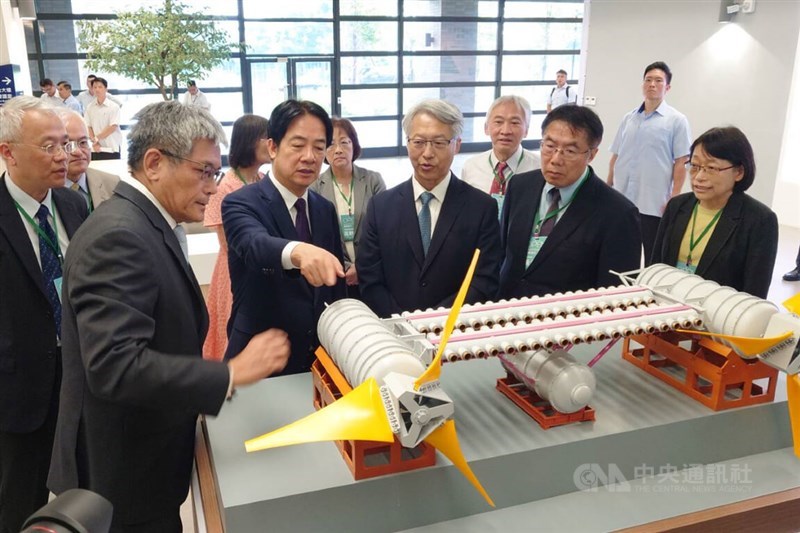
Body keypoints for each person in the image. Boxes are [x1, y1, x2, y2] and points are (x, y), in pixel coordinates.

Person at [48, 101, 291, 532]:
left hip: (145, 460)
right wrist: (229, 374)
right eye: (204, 171)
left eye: (216, 173)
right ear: (155, 163)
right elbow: (115, 366)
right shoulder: (121, 235)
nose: (213, 187)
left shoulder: (148, 223)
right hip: (120, 478)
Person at [0, 96, 88, 533]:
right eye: (49, 146)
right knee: (19, 503)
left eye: (66, 145)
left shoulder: (72, 206)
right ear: (8, 151)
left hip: (81, 378)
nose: (63, 156)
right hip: (18, 390)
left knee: (90, 495)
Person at [222, 100, 345, 374]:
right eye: (298, 145)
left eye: (319, 146)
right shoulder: (240, 203)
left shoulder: (324, 209)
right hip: (259, 361)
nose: (310, 157)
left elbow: (333, 287)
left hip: (317, 360)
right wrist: (299, 251)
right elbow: (254, 245)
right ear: (273, 147)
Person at [357, 99, 502, 318]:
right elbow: (369, 276)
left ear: (457, 144)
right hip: (395, 331)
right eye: (419, 142)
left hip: (454, 333)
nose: (427, 153)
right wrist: (403, 322)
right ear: (407, 143)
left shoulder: (482, 208)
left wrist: (435, 321)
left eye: (438, 143)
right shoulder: (381, 206)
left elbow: (484, 279)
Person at [498, 105, 641, 299]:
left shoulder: (618, 213)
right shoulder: (520, 186)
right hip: (508, 313)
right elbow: (503, 254)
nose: (556, 159)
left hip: (566, 323)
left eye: (570, 150)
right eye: (549, 146)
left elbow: (613, 297)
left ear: (592, 154)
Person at [652, 127, 778, 299]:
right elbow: (655, 268)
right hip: (667, 310)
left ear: (739, 172)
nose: (698, 177)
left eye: (711, 168)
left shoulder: (760, 220)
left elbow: (754, 294)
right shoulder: (677, 206)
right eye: (695, 166)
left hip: (718, 318)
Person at [607, 61, 692, 263]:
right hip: (623, 197)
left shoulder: (676, 120)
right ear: (642, 84)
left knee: (654, 253)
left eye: (658, 80)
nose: (652, 84)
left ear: (667, 87)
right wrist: (609, 186)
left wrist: (674, 196)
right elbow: (616, 155)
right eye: (648, 80)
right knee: (622, 250)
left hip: (653, 200)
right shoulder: (629, 118)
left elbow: (682, 161)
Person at [203, 114, 271, 361]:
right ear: (249, 141)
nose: (271, 143)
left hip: (264, 270)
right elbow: (229, 245)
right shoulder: (225, 187)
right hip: (236, 272)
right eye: (265, 137)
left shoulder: (263, 180)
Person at [310, 117, 386, 298]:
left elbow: (385, 229)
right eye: (330, 144)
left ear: (355, 146)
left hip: (373, 273)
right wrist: (344, 267)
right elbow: (317, 236)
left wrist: (361, 267)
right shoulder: (315, 187)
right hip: (335, 275)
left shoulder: (373, 180)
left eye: (344, 142)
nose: (338, 150)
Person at [460, 95, 541, 207]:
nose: (505, 131)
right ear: (486, 128)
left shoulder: (540, 168)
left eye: (514, 123)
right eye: (498, 122)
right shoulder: (471, 166)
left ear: (526, 130)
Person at [57, 109, 120, 212]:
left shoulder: (112, 184)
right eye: (67, 144)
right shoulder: (43, 191)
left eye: (83, 142)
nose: (78, 152)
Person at [83, 77, 122, 160]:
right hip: (95, 148)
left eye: (100, 87)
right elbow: (88, 126)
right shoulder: (90, 107)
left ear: (106, 89)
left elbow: (112, 127)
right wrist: (95, 141)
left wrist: (97, 138)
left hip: (112, 148)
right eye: (95, 87)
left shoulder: (114, 107)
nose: (97, 90)